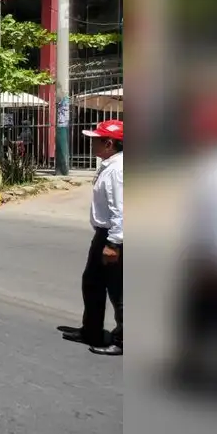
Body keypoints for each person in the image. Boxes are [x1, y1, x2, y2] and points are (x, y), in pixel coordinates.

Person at [62, 120, 123, 355]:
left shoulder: (118, 171)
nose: (91, 143)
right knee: (92, 283)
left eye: (95, 139)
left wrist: (114, 243)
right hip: (103, 235)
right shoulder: (109, 165)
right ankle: (91, 330)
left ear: (109, 143)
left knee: (118, 291)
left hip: (113, 237)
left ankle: (122, 340)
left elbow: (122, 209)